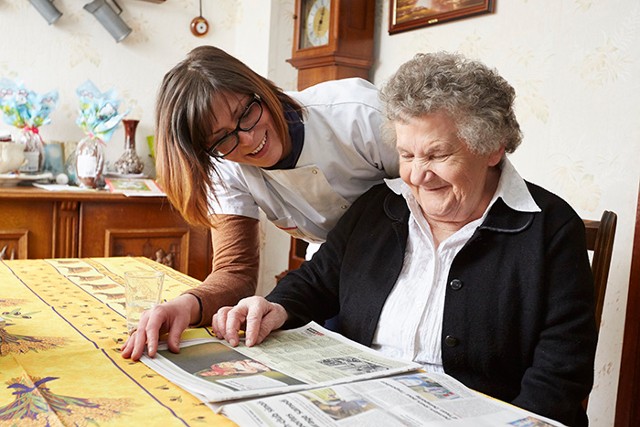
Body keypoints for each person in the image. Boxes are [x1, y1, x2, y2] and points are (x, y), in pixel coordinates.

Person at [211, 52, 598, 426]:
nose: (417, 175)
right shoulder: (382, 205)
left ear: (492, 147)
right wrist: (275, 308)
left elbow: (560, 375)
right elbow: (316, 281)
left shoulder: (549, 228)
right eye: (407, 155)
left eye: (437, 155)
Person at [121, 46, 398, 361]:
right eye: (224, 138)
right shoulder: (224, 167)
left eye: (246, 113)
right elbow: (235, 270)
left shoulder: (359, 114)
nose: (249, 139)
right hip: (329, 276)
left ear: (260, 88)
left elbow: (439, 198)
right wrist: (186, 304)